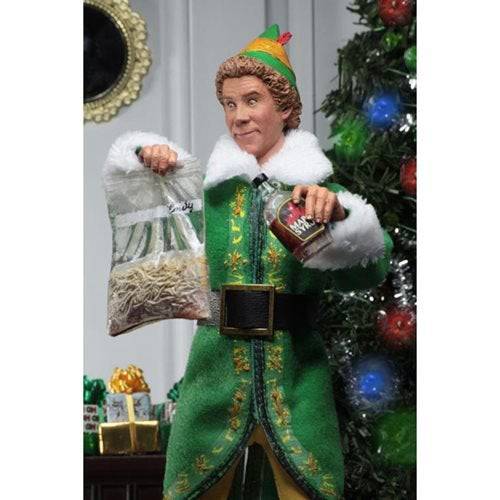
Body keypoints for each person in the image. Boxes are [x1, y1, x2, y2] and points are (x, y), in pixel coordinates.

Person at [105, 24, 392, 500]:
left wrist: (340, 217)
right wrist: (144, 154)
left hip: (296, 382)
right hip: (214, 377)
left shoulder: (320, 196)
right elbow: (147, 212)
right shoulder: (207, 194)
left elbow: (371, 268)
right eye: (229, 104)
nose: (238, 116)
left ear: (285, 108)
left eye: (252, 101)